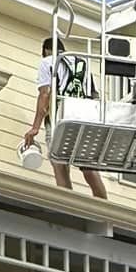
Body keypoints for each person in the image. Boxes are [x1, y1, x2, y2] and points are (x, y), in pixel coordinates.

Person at [23, 36, 108, 199]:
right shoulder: (82, 64)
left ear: (46, 51)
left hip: (59, 119)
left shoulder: (47, 62)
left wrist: (35, 127)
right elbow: (93, 95)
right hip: (82, 119)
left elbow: (44, 95)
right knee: (88, 168)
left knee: (59, 163)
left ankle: (67, 203)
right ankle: (105, 207)